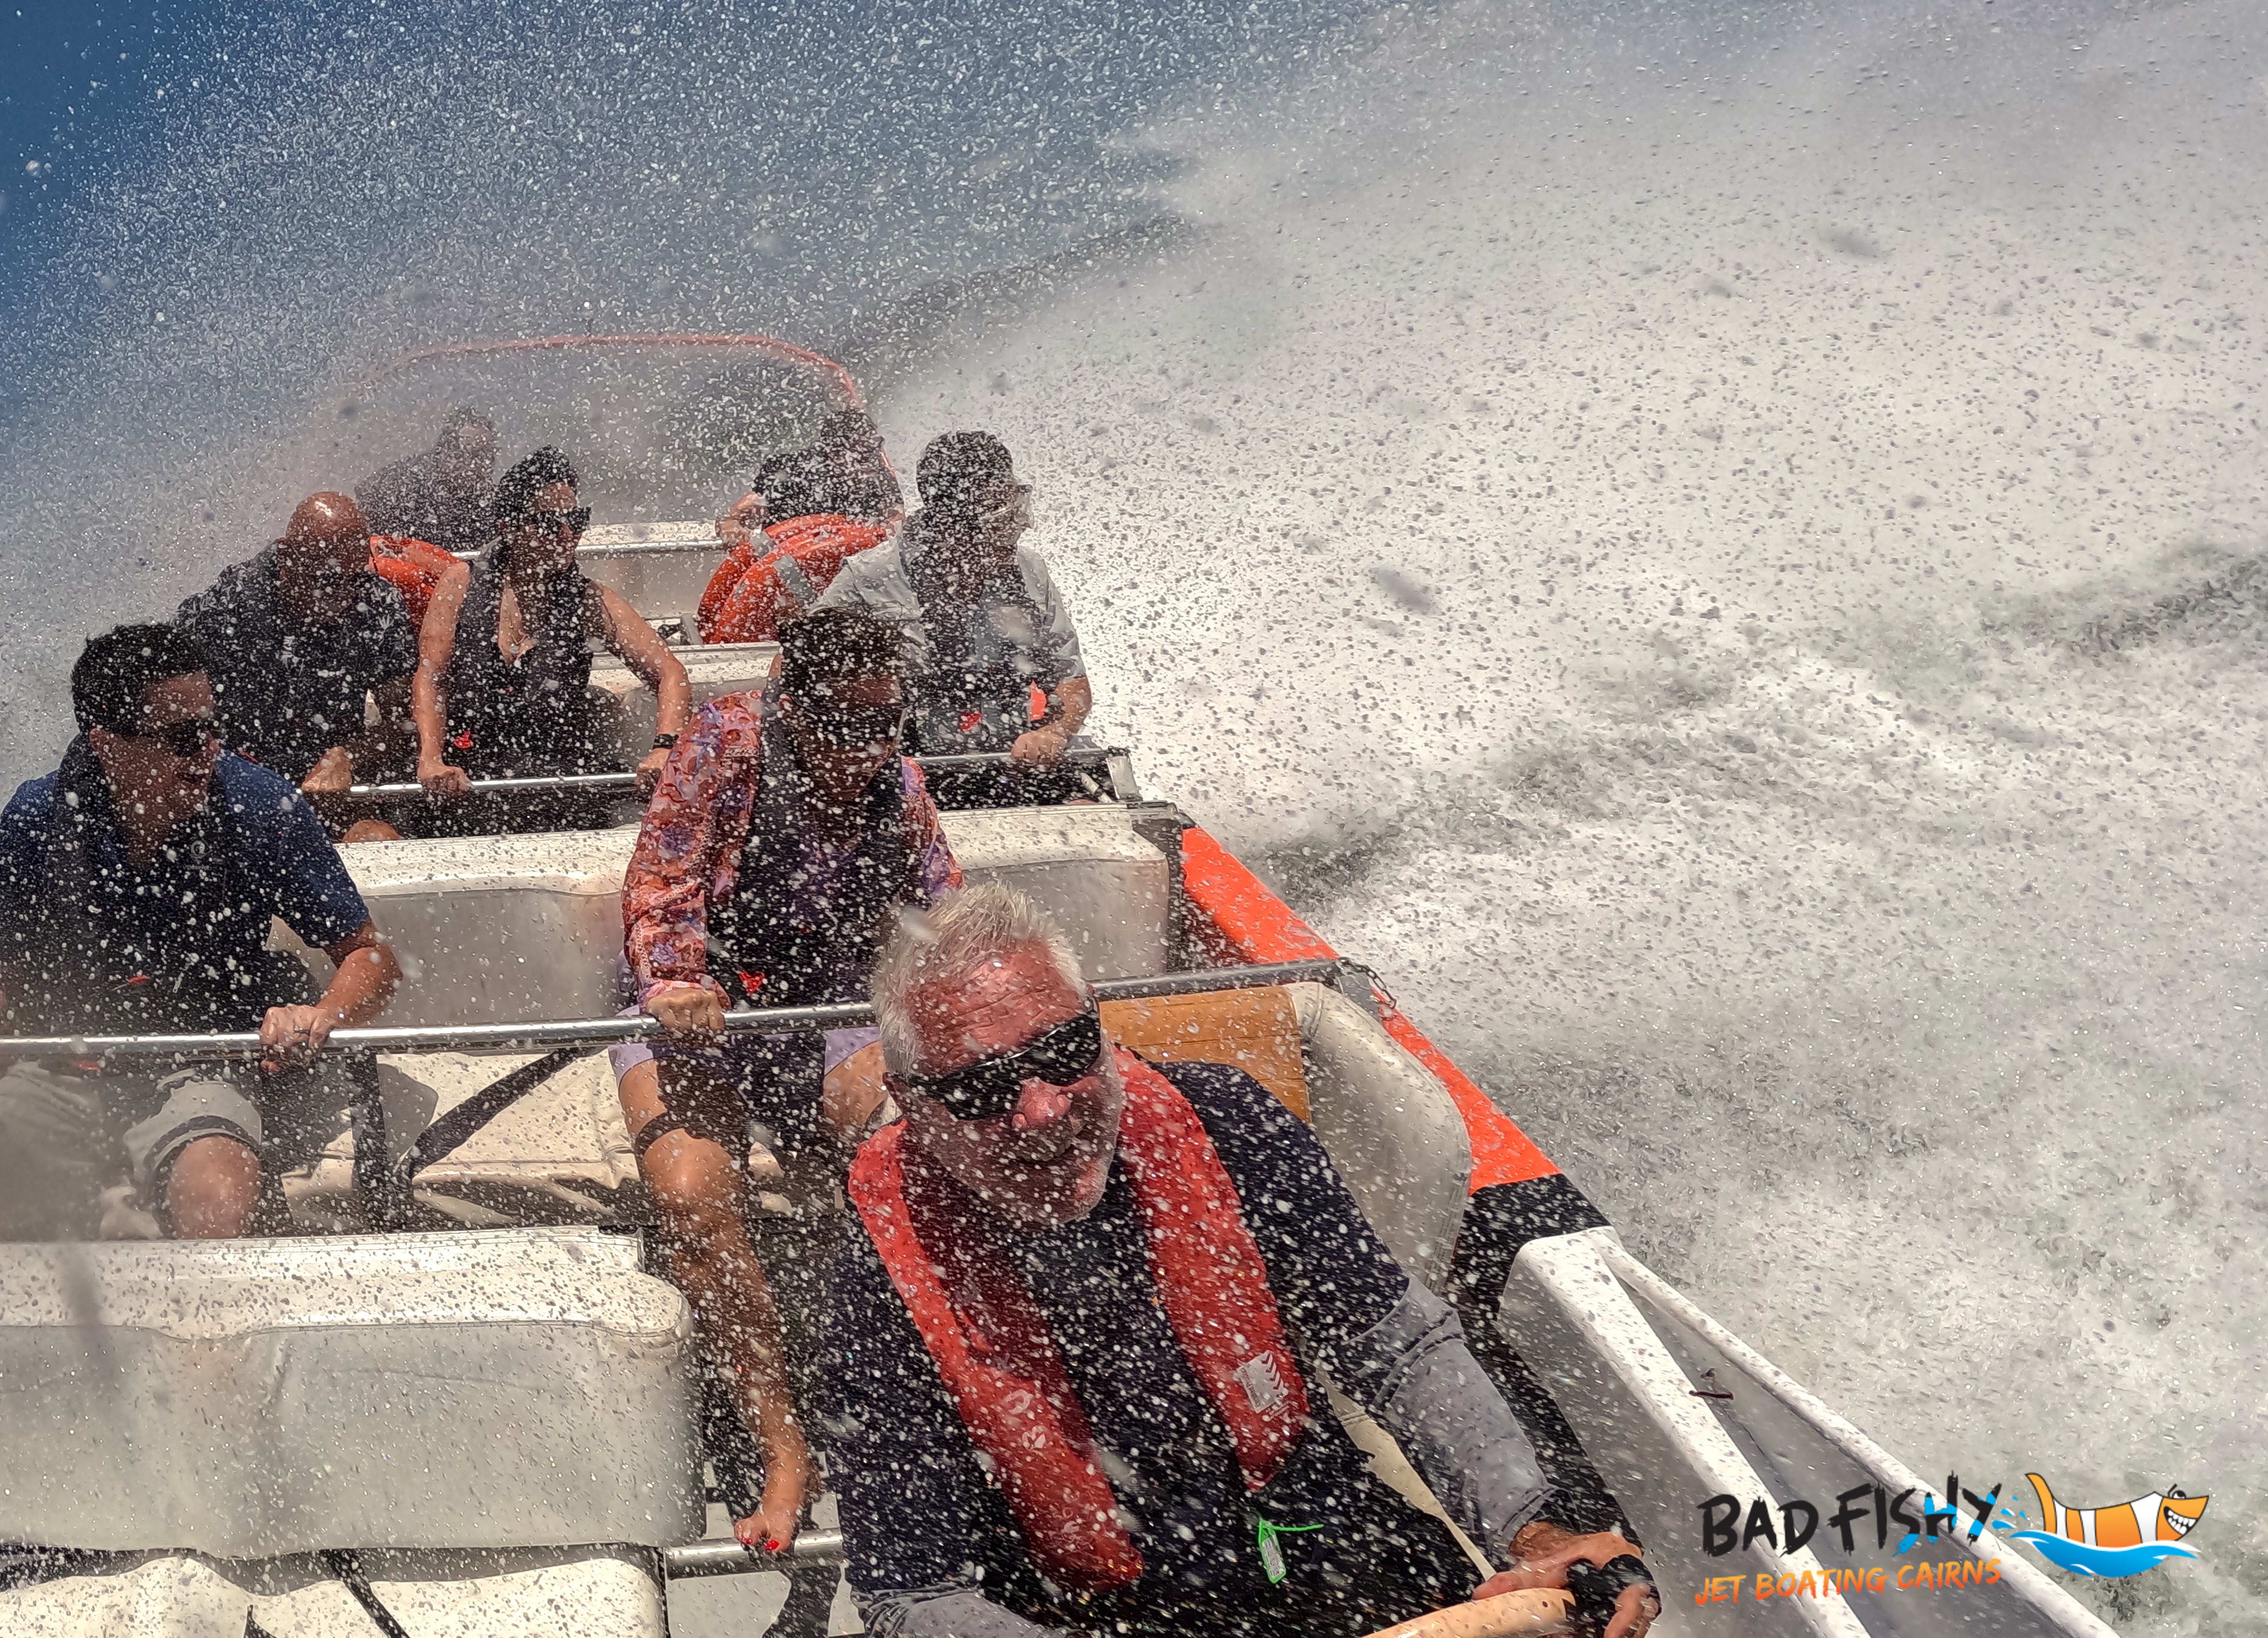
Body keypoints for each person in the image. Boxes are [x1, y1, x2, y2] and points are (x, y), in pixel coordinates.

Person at [822, 884, 1660, 1638]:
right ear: (910, 1104)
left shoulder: (1228, 1124)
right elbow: (914, 1593)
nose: (1041, 1111)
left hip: (1328, 1543)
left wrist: (1534, 1529)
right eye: (979, 1089)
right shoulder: (879, 1273)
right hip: (1095, 1612)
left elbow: (1398, 1351)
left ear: (1099, 1029)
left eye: (1063, 1051)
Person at [617, 603, 963, 1577]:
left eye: (886, 722)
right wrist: (678, 980)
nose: (869, 747)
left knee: (917, 1139)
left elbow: (949, 909)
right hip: (701, 1004)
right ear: (792, 705)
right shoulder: (723, 744)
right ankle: (781, 1437)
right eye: (847, 724)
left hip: (827, 1001)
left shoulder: (898, 781)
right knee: (691, 1194)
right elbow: (661, 883)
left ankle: (907, 1386)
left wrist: (984, 994)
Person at [0, 624, 403, 1243]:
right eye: (184, 737)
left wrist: (321, 1014)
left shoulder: (261, 807)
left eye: (213, 727)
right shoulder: (35, 817)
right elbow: (1, 963)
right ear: (107, 744)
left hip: (202, 1064)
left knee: (216, 1210)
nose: (208, 750)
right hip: (62, 1065)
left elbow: (370, 956)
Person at [412, 447, 691, 833]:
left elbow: (670, 673)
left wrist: (664, 748)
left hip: (562, 784)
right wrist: (431, 758)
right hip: (471, 777)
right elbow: (432, 677)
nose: (566, 534)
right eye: (549, 523)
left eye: (576, 520)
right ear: (509, 527)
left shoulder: (590, 600)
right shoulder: (460, 583)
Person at [811, 432, 1095, 810]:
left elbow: (1072, 681)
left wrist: (1055, 733)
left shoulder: (1030, 570)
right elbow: (804, 679)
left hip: (1012, 761)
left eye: (1015, 503)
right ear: (951, 517)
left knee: (1092, 809)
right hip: (903, 775)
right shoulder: (868, 577)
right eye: (1000, 511)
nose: (1021, 523)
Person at [175, 492, 416, 843]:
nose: (343, 594)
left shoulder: (377, 603)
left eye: (353, 578)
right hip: (233, 789)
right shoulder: (227, 606)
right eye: (327, 580)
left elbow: (402, 723)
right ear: (288, 558)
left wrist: (348, 757)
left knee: (378, 839)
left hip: (329, 794)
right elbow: (168, 706)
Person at [694, 412, 905, 644]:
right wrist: (734, 529)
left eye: (877, 448)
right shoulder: (789, 474)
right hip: (782, 588)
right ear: (835, 453)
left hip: (845, 588)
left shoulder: (879, 482)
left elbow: (894, 533)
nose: (875, 460)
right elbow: (734, 519)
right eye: (866, 454)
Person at [356, 406, 500, 554]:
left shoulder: (493, 505)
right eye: (466, 452)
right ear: (444, 450)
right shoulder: (400, 485)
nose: (478, 464)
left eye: (487, 455)